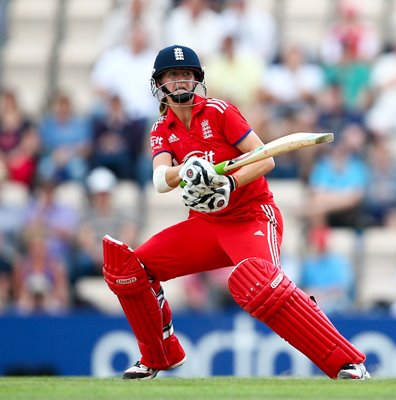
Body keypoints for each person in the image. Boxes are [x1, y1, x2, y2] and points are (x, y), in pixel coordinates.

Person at [101, 45, 369, 380]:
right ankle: (159, 355)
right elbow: (160, 179)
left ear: (197, 79)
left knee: (262, 285)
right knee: (129, 268)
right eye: (173, 76)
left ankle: (347, 362)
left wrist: (229, 182)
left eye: (187, 75)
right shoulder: (161, 129)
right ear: (160, 83)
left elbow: (265, 158)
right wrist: (186, 169)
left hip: (252, 217)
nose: (181, 82)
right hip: (206, 224)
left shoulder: (220, 112)